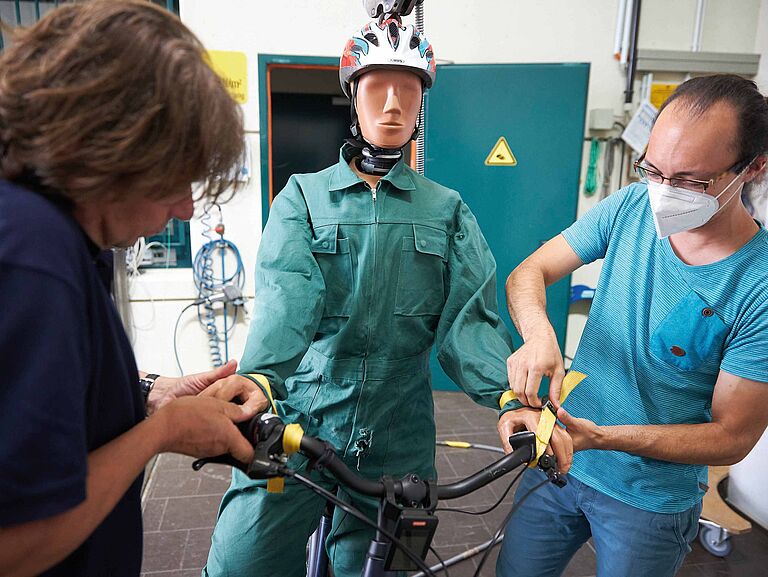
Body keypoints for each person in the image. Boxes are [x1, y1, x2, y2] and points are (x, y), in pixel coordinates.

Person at [202, 16, 541, 577]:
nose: (393, 104)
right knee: (243, 561)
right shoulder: (303, 199)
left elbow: (468, 320)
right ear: (352, 97)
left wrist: (509, 398)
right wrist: (262, 377)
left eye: (408, 89)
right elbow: (288, 298)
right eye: (377, 87)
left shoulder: (446, 208)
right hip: (302, 417)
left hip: (398, 426)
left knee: (381, 567)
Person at [0, 3, 262, 576]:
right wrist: (161, 432)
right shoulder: (33, 253)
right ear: (112, 146)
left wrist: (147, 393)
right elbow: (15, 540)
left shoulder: (60, 238)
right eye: (174, 175)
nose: (185, 207)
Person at [497, 74, 768, 577]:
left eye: (691, 181)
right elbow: (529, 272)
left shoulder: (759, 285)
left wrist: (604, 437)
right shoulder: (629, 208)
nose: (663, 193)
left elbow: (732, 437)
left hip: (649, 499)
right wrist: (539, 335)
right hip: (561, 455)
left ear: (753, 167)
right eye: (654, 170)